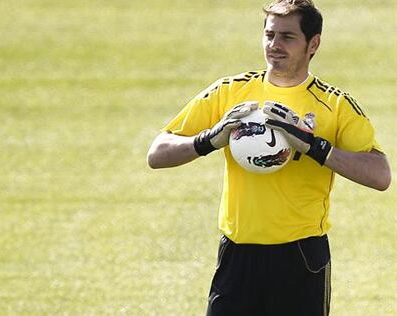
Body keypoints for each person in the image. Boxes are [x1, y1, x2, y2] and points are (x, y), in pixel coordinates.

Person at [146, 0, 390, 315]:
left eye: (287, 37)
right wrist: (208, 139)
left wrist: (313, 145)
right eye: (269, 35)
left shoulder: (336, 105)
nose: (274, 45)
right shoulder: (230, 92)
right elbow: (157, 153)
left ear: (312, 44)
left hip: (301, 258)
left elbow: (380, 175)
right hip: (237, 254)